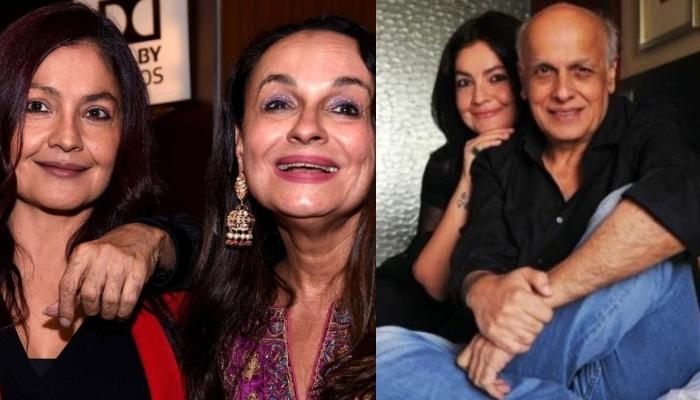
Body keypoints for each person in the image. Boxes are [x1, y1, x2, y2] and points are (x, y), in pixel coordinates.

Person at [378, 3, 700, 399]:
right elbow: (478, 254)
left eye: (581, 70)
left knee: (634, 220)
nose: (562, 92)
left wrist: (517, 321)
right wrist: (484, 291)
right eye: (545, 71)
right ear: (525, 81)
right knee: (383, 349)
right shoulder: (496, 162)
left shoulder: (650, 126)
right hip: (535, 373)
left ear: (610, 74)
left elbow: (681, 199)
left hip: (623, 359)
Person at [182, 15, 375, 400]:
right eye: (278, 103)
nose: (306, 127)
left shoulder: (412, 310)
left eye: (344, 108)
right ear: (240, 145)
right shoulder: (217, 322)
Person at [0, 4, 185, 399]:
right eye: (38, 106)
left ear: (124, 135)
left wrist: (154, 240)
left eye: (96, 113)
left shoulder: (171, 299)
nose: (67, 138)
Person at [377, 11, 523, 342]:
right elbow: (431, 280)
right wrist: (470, 176)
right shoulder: (446, 162)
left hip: (475, 323)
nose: (479, 97)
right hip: (405, 306)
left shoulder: (549, 159)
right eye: (464, 82)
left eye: (496, 77)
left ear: (522, 78)